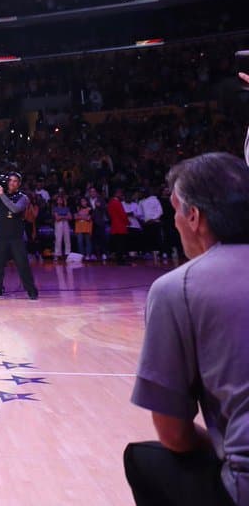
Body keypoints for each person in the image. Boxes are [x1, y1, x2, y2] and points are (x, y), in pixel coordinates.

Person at [124, 152, 249, 506]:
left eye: (176, 211)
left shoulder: (177, 287)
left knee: (143, 459)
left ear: (193, 216)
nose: (175, 222)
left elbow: (174, 435)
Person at [0, 172, 39, 300]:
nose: (12, 183)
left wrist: (2, 195)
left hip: (16, 237)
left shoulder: (23, 197)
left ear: (19, 183)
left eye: (15, 181)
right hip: (0, 236)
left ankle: (31, 291)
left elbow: (15, 209)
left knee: (22, 265)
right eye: (10, 180)